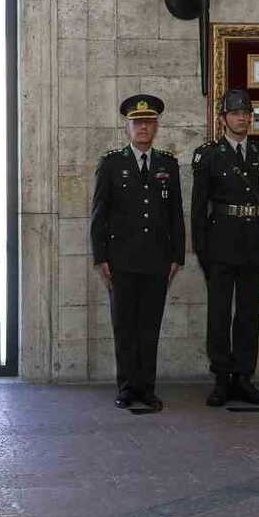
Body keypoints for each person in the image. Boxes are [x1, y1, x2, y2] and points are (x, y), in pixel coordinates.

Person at [90, 94, 185, 412]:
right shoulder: (112, 164)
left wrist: (177, 256)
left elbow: (176, 214)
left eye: (148, 122)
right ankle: (127, 387)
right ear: (127, 128)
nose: (143, 127)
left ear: (156, 126)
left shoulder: (167, 165)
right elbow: (99, 215)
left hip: (157, 261)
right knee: (124, 327)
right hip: (122, 261)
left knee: (149, 327)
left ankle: (147, 388)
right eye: (136, 122)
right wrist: (101, 257)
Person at [191, 89, 259, 408]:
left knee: (247, 312)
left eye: (247, 113)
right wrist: (201, 251)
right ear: (223, 118)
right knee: (218, 314)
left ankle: (244, 377)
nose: (243, 118)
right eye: (236, 113)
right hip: (221, 243)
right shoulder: (209, 155)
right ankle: (221, 377)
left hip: (254, 242)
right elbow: (199, 208)